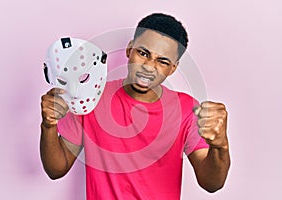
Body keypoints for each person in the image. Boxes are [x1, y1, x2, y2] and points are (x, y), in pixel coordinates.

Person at [40, 13, 230, 199]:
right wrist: (48, 125)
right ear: (130, 49)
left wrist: (220, 146)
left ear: (173, 67)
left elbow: (211, 183)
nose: (149, 66)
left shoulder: (187, 109)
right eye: (143, 53)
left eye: (162, 61)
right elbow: (56, 169)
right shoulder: (91, 95)